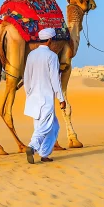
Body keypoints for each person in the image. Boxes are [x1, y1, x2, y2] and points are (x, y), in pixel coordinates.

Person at [24, 28, 66, 164]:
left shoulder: (31, 55)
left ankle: (44, 153)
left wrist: (28, 94)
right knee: (45, 127)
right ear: (50, 40)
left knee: (54, 126)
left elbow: (26, 77)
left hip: (33, 97)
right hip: (46, 98)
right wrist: (61, 98)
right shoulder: (52, 56)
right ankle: (33, 146)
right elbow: (55, 79)